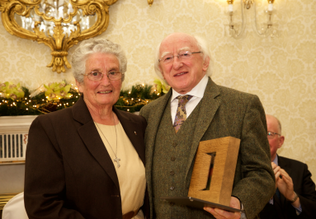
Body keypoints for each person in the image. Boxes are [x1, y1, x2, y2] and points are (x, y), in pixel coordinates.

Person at [139, 32, 275, 219]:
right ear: (161, 71)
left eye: (185, 54)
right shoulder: (149, 113)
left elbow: (261, 173)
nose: (177, 64)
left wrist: (239, 202)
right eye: (168, 58)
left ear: (205, 62)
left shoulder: (242, 105)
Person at [24, 38, 149, 219]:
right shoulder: (51, 128)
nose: (105, 82)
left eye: (113, 72)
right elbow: (42, 205)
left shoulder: (137, 124)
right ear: (79, 83)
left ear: (122, 78)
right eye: (95, 74)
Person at [259, 114, 316, 219]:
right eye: (257, 133)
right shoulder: (238, 170)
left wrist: (293, 197)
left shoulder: (299, 170)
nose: (262, 139)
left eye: (268, 133)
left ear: (280, 141)